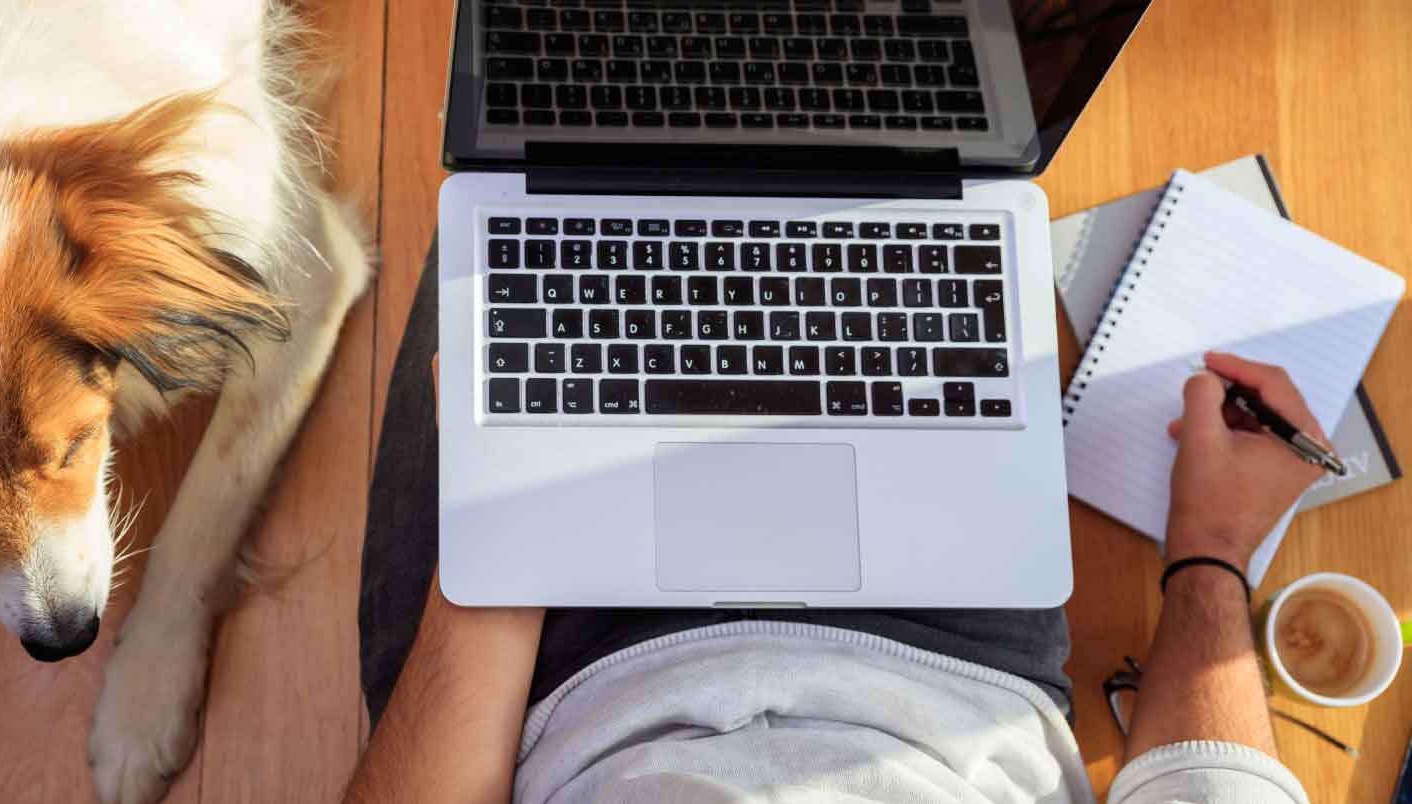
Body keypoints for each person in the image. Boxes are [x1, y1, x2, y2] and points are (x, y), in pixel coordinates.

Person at [345, 264, 1319, 804]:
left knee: (517, 202)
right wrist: (1211, 550)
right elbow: (1207, 791)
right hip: (958, 658)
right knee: (940, 177)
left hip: (544, 680)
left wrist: (511, 546)